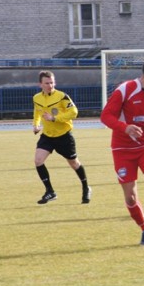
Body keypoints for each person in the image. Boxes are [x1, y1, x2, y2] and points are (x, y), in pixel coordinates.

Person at [100, 57, 144, 245]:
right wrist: (125, 127)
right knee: (130, 197)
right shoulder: (125, 90)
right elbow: (105, 116)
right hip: (123, 149)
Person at [32, 71, 91, 205]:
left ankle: (86, 188)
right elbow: (37, 111)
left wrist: (55, 118)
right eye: (47, 83)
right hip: (47, 135)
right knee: (38, 160)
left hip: (64, 136)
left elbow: (74, 112)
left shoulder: (62, 96)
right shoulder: (36, 98)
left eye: (52, 82)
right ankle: (50, 191)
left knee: (74, 163)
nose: (50, 85)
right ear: (40, 84)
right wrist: (36, 125)